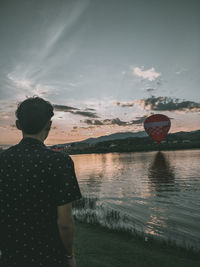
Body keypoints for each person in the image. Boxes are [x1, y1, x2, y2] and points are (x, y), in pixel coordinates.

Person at [0, 96, 82, 267]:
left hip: (11, 255)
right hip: (50, 257)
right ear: (49, 125)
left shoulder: (2, 160)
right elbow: (65, 222)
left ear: (18, 125)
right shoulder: (60, 162)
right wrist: (69, 256)